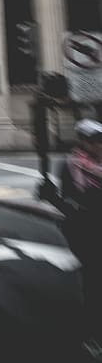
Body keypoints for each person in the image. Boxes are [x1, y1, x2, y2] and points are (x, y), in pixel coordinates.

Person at [59, 118, 102, 359]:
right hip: (86, 232)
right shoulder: (72, 166)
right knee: (95, 281)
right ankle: (93, 335)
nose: (100, 146)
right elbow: (68, 200)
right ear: (84, 143)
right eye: (96, 142)